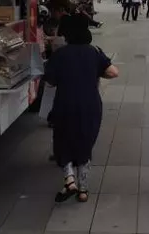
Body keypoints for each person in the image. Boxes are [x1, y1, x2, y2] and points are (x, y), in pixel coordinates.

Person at [45, 14, 119, 203]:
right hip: (90, 105)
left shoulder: (60, 54)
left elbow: (51, 82)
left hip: (65, 104)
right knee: (85, 143)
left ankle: (70, 181)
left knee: (63, 141)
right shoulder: (94, 51)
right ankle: (83, 190)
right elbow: (114, 72)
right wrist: (97, 74)